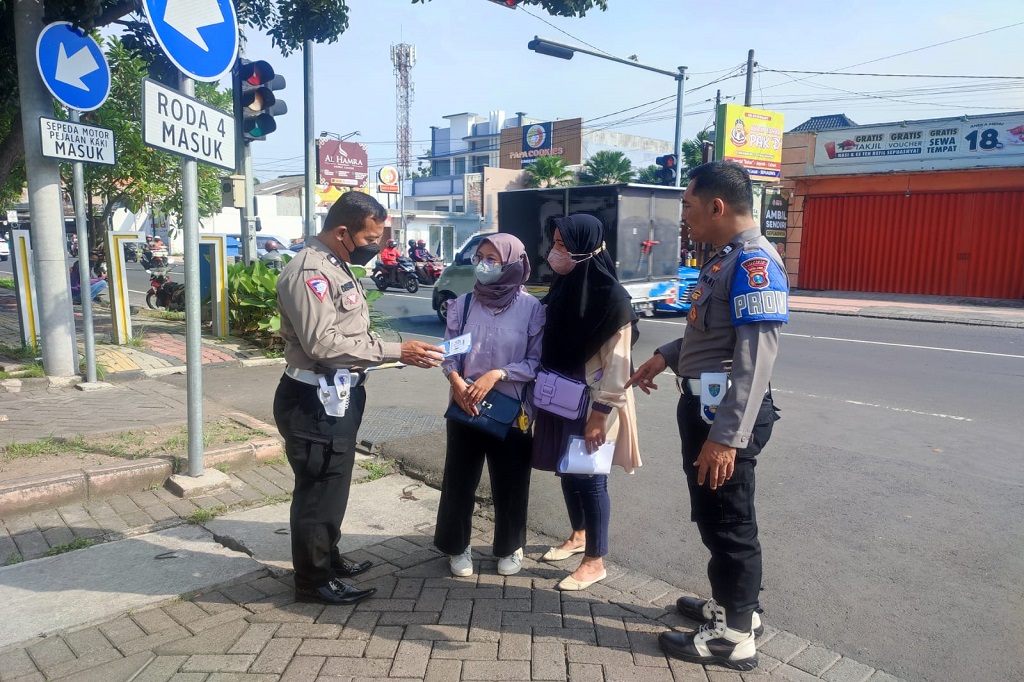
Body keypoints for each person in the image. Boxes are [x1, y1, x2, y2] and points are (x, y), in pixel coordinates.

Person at [627, 161, 788, 671]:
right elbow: (710, 333)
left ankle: (734, 638)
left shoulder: (754, 263)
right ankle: (735, 609)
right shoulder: (725, 259)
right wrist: (668, 354)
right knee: (718, 516)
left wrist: (727, 437)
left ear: (717, 206)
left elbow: (754, 356)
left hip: (724, 417)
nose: (684, 217)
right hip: (705, 407)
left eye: (688, 206)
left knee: (730, 522)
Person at [274, 192, 444, 606]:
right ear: (342, 231)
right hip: (314, 400)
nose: (378, 247)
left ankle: (328, 558)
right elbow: (323, 344)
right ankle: (312, 581)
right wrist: (395, 352)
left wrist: (391, 353)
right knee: (317, 492)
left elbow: (351, 333)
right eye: (371, 238)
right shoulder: (309, 272)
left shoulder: (337, 264)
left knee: (333, 486)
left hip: (337, 395)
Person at [531, 214, 641, 592]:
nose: (555, 252)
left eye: (563, 245)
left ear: (584, 247)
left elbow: (618, 367)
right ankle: (578, 535)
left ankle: (595, 561)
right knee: (568, 471)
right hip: (560, 397)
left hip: (595, 404)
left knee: (591, 480)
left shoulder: (613, 300)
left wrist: (600, 415)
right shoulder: (563, 286)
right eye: (555, 242)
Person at [435, 234, 544, 578]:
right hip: (465, 407)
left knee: (511, 483)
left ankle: (511, 545)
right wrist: (456, 380)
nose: (483, 263)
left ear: (513, 263)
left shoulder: (532, 309)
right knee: (459, 480)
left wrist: (497, 374)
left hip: (513, 411)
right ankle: (458, 546)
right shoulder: (464, 304)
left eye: (492, 258)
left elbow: (536, 362)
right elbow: (450, 352)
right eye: (480, 256)